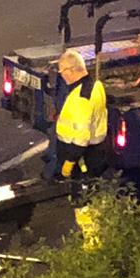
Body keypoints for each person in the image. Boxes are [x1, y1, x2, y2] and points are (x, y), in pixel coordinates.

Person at [46, 49, 110, 247]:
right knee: (93, 193)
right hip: (95, 153)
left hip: (84, 157)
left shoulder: (82, 97)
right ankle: (98, 236)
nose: (62, 76)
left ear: (71, 70)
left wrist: (69, 161)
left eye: (62, 71)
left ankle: (93, 243)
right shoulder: (95, 85)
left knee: (82, 200)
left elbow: (81, 137)